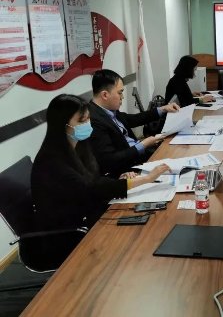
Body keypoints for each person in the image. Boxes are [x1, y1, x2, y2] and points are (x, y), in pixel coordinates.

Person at [31, 94, 170, 230]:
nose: (87, 124)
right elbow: (92, 188)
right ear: (63, 126)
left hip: (90, 209)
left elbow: (93, 179)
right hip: (72, 227)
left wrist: (118, 179)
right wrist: (146, 179)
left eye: (88, 118)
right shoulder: (52, 160)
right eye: (82, 121)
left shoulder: (78, 144)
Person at [88, 69, 179, 177]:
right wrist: (143, 145)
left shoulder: (108, 110)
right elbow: (110, 159)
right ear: (105, 95)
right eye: (120, 93)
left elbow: (134, 119)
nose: (122, 97)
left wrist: (163, 109)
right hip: (130, 168)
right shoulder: (94, 121)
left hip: (139, 155)